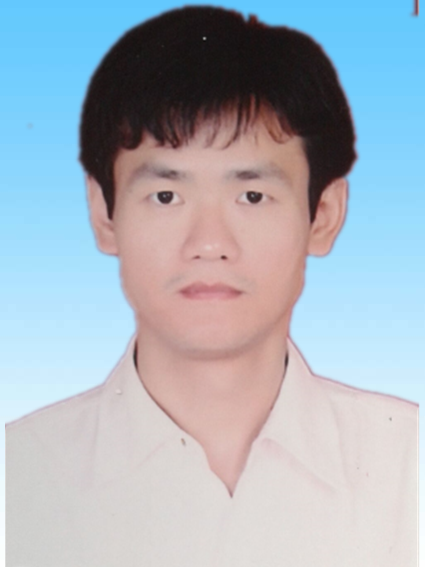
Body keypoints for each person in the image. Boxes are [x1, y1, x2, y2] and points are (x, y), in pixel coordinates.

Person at [6, 6, 418, 567]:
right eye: (166, 196)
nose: (208, 243)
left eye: (252, 196)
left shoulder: (408, 469)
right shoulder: (17, 480)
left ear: (323, 215)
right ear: (104, 214)